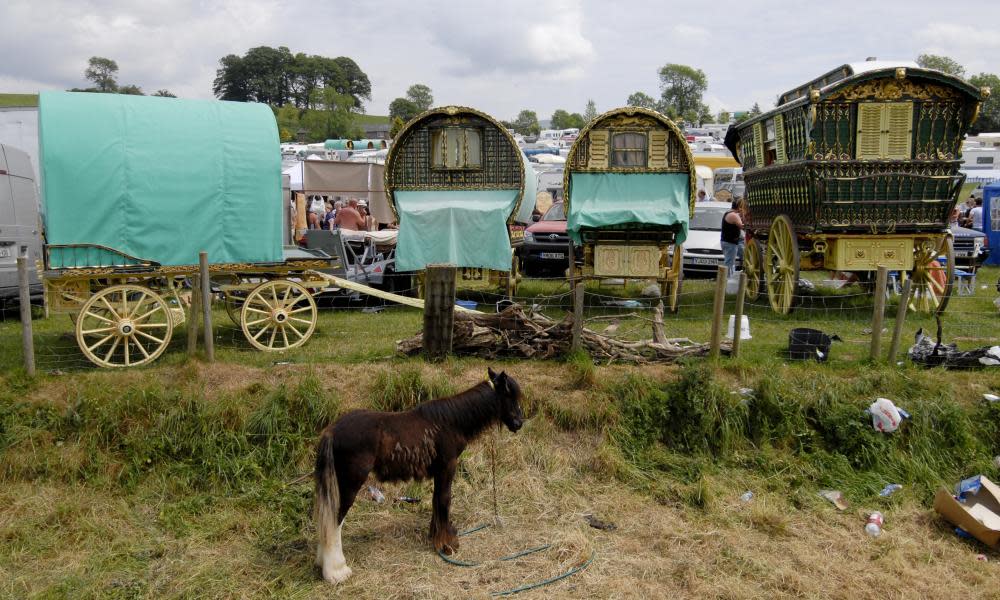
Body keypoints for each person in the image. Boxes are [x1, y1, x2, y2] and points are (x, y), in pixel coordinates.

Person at [721, 197, 746, 276]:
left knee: (730, 262)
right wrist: (742, 215)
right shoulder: (734, 215)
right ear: (739, 207)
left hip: (727, 241)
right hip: (730, 242)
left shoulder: (729, 213)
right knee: (729, 263)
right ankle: (727, 281)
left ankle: (728, 279)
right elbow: (742, 226)